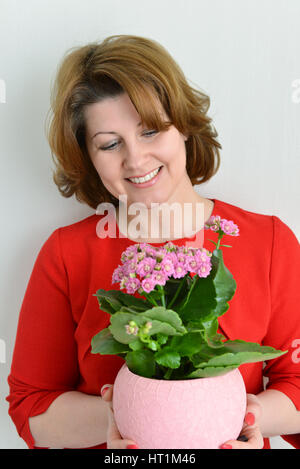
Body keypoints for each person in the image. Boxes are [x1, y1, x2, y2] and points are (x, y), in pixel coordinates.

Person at [6, 34, 300, 450]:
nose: (136, 160)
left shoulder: (268, 242)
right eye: (110, 144)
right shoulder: (67, 254)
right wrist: (126, 416)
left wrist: (246, 418)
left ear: (183, 125)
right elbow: (31, 405)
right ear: (88, 157)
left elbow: (297, 382)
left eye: (150, 131)